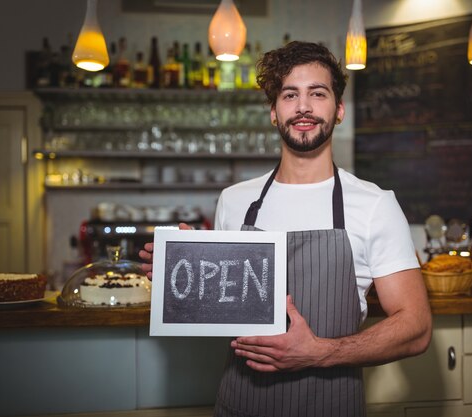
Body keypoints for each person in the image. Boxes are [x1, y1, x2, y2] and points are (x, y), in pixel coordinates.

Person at [140, 41, 432, 417]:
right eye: (290, 94)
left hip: (330, 406)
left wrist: (320, 352)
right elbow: (224, 305)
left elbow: (416, 327)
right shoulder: (235, 201)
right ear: (274, 113)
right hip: (240, 403)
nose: (304, 107)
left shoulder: (375, 204)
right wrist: (182, 272)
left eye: (318, 93)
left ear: (338, 109)